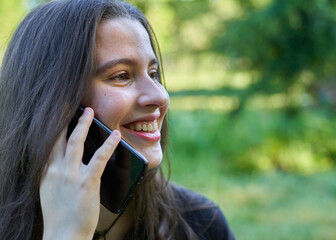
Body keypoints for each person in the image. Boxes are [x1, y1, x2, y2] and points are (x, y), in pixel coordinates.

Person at [0, 0, 235, 239]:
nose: (160, 96)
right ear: (54, 105)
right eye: (121, 76)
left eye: (153, 74)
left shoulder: (201, 224)